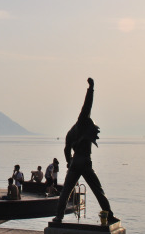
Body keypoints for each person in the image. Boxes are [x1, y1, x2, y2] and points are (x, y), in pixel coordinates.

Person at [53, 78, 118, 224]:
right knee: (98, 190)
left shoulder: (70, 132)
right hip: (85, 161)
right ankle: (110, 216)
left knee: (66, 191)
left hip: (75, 161)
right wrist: (91, 88)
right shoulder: (83, 121)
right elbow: (87, 105)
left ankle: (59, 216)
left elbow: (66, 148)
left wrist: (69, 161)